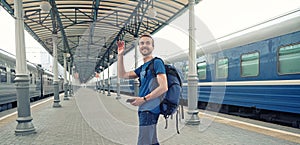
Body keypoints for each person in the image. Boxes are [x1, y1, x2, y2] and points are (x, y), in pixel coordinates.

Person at [117, 34, 168, 145]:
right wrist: (120, 55)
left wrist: (144, 99)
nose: (144, 45)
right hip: (145, 109)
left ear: (153, 47)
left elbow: (164, 86)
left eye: (148, 43)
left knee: (143, 142)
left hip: (149, 110)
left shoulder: (157, 62)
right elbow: (122, 74)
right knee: (152, 142)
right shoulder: (142, 67)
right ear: (139, 47)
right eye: (142, 43)